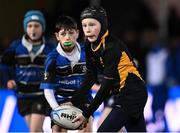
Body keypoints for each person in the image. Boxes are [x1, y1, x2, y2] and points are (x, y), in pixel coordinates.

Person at [71, 6, 148, 132]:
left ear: (103, 24)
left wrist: (86, 113)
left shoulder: (112, 47)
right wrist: (72, 102)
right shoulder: (89, 45)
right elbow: (90, 77)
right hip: (123, 94)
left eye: (92, 24)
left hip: (132, 93)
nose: (88, 30)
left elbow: (106, 87)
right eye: (84, 25)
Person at [1, 10, 55, 132]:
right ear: (25, 28)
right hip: (23, 96)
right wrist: (9, 79)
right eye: (30, 26)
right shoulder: (16, 47)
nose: (33, 29)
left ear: (43, 28)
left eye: (36, 26)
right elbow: (5, 65)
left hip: (41, 95)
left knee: (34, 130)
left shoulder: (50, 48)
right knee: (35, 130)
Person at [40, 15, 93, 132]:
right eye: (63, 34)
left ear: (77, 33)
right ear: (57, 36)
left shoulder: (88, 53)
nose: (68, 37)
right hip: (60, 101)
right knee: (57, 131)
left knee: (87, 129)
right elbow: (47, 90)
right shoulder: (52, 59)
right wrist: (57, 109)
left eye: (71, 33)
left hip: (83, 100)